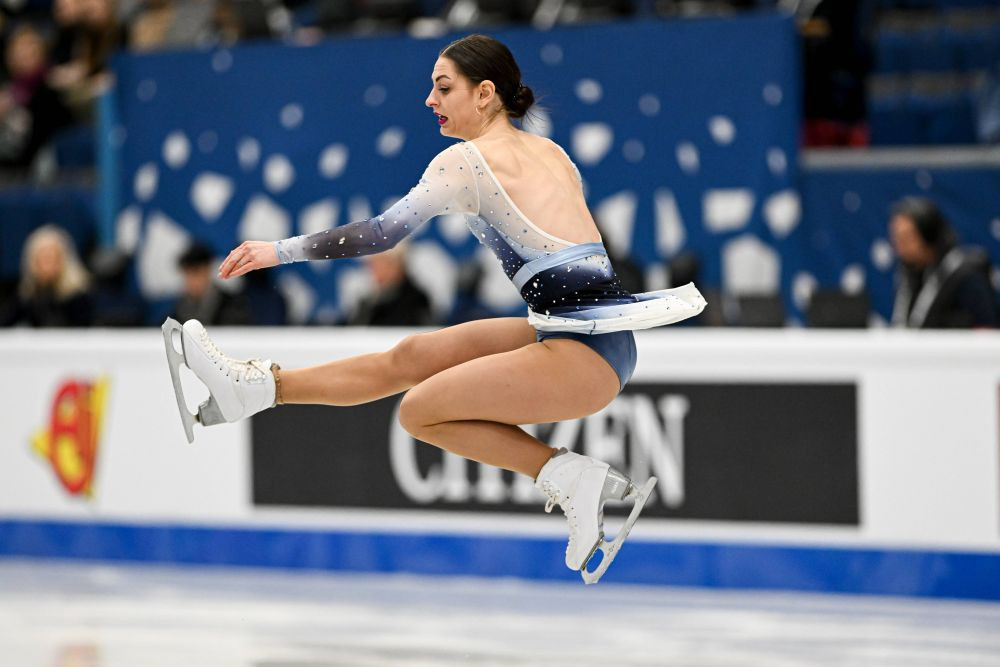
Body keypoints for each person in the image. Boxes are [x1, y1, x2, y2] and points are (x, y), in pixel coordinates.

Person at [163, 35, 704, 583]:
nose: (430, 100)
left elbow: (380, 234)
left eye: (444, 88)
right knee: (413, 356)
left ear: (485, 93)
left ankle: (563, 473)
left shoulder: (465, 161)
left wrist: (278, 250)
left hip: (581, 355)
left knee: (418, 411)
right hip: (590, 339)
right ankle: (255, 389)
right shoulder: (552, 152)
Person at [889, 196, 999, 329]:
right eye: (896, 238)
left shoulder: (966, 275)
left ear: (928, 234)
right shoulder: (912, 275)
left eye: (906, 238)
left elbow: (988, 330)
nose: (899, 246)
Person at [1, 224, 93, 327]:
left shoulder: (80, 297)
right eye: (42, 259)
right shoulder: (28, 296)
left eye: (53, 258)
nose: (47, 265)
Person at [347, 244, 433, 326]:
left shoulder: (416, 302)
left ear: (396, 266)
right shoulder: (368, 299)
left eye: (378, 264)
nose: (372, 270)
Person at [169, 241, 251, 325]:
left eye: (196, 273)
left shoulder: (232, 307)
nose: (191, 281)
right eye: (187, 274)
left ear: (208, 271)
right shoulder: (178, 309)